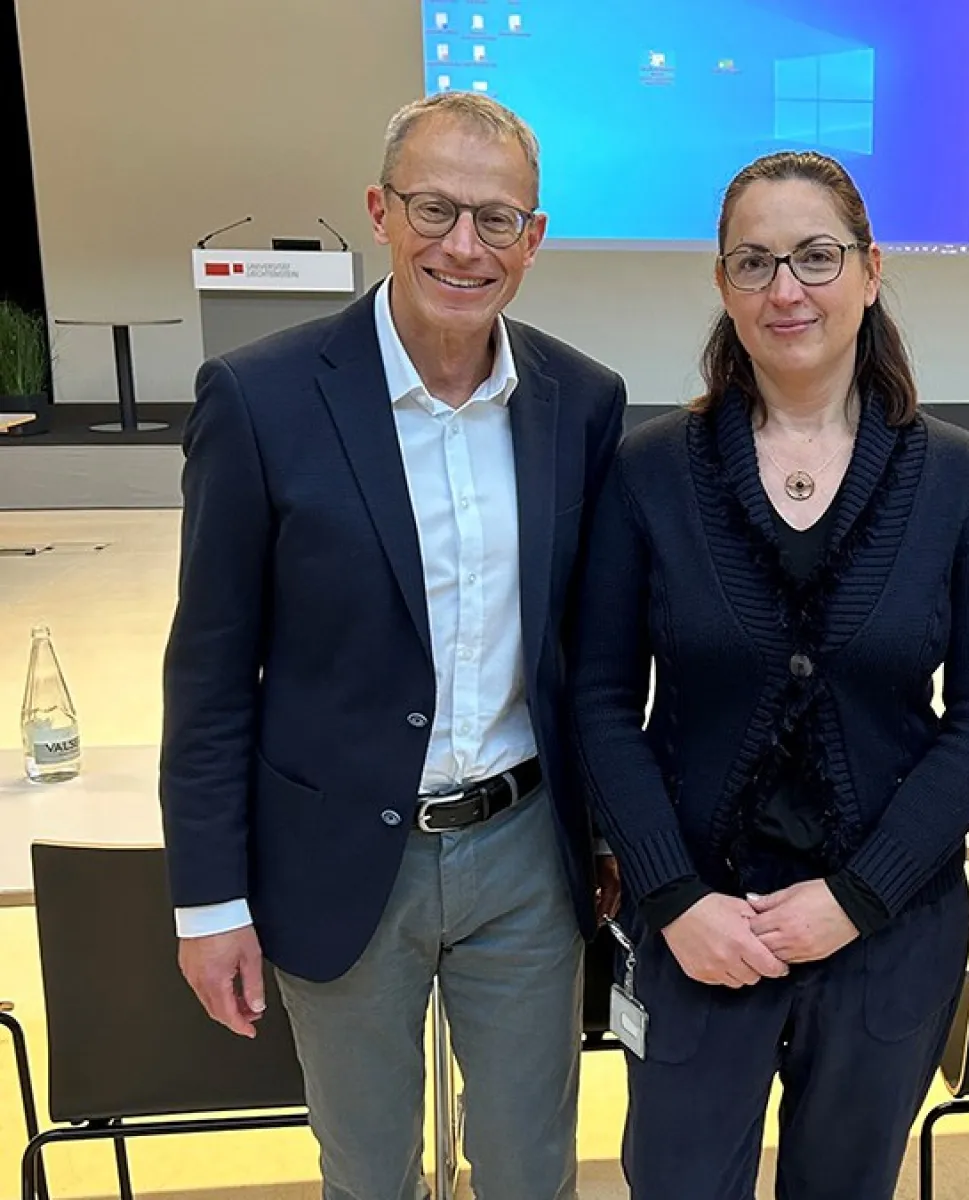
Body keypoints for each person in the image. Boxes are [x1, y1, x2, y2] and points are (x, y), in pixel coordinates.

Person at [160, 92, 626, 1200]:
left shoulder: (583, 401)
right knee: (367, 1173)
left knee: (529, 1168)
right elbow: (211, 672)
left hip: (522, 854)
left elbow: (592, 657)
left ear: (535, 237)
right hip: (335, 852)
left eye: (497, 219)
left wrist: (608, 834)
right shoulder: (261, 398)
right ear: (380, 209)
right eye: (434, 208)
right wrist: (208, 902)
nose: (464, 245)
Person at [569, 150, 969, 1199]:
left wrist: (858, 897)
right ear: (722, 287)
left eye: (816, 257)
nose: (787, 290)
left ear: (870, 271)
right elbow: (599, 704)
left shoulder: (957, 479)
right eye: (755, 263)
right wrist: (675, 897)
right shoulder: (648, 472)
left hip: (886, 932)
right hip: (693, 932)